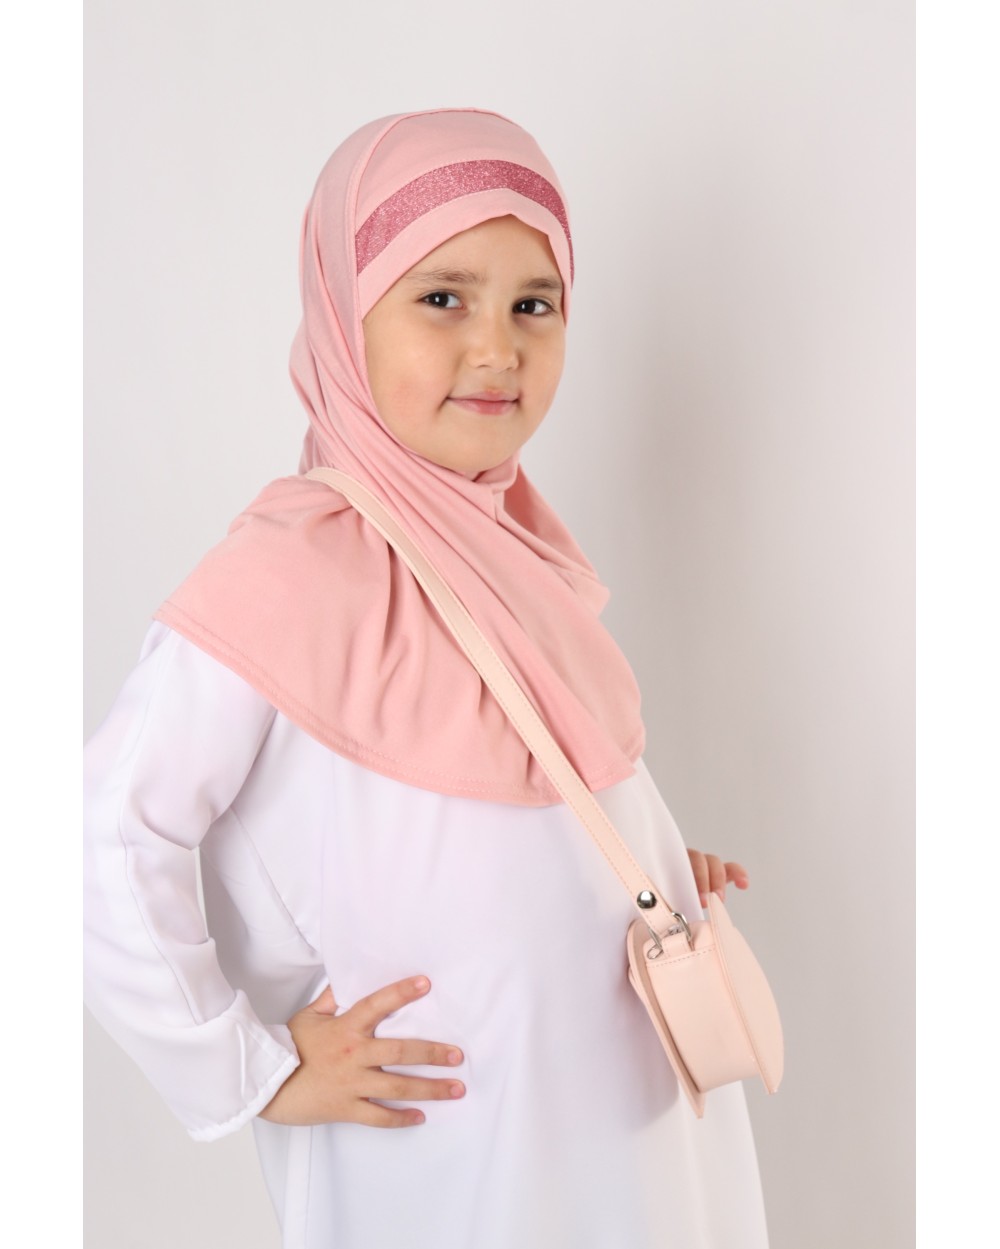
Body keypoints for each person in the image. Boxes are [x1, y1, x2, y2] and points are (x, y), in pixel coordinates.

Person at [84, 107, 770, 1248]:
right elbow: (105, 831)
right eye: (442, 297)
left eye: (534, 305)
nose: (496, 348)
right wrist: (246, 1068)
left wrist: (637, 859)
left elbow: (504, 782)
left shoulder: (516, 555)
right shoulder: (292, 565)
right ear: (343, 315)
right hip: (446, 1138)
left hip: (627, 1125)